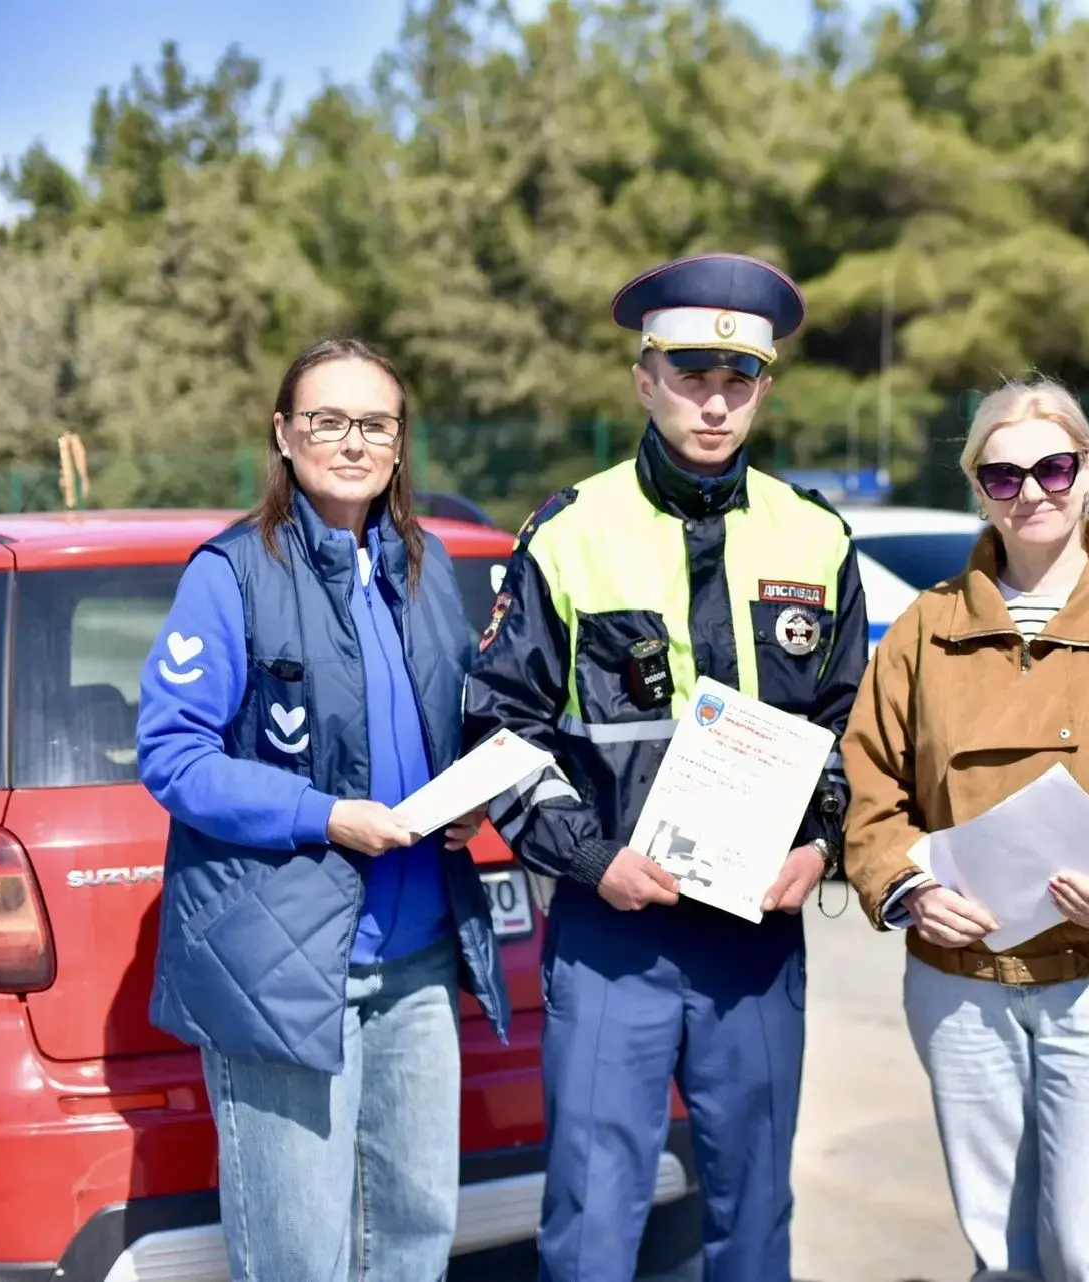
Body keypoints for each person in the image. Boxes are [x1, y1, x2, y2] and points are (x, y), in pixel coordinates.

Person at [461, 252, 867, 1282]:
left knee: (754, 1219)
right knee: (593, 1222)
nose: (716, 402)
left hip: (755, 942)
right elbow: (499, 731)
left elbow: (849, 722)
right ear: (644, 378)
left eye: (740, 381)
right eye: (691, 374)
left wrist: (821, 846)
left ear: (765, 388)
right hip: (614, 936)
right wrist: (593, 860)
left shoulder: (817, 536)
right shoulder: (568, 534)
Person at [842, 377, 1089, 1282]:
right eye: (1004, 474)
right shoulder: (924, 627)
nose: (1032, 493)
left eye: (1054, 467)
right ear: (977, 485)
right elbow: (870, 787)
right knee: (1000, 1256)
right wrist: (907, 889)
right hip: (958, 986)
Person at [136, 337, 511, 1280]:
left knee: (416, 1241)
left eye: (374, 423)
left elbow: (449, 726)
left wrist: (466, 799)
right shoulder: (230, 574)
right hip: (289, 970)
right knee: (302, 1256)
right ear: (284, 433)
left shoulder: (422, 572)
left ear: (399, 443)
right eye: (328, 420)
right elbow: (174, 755)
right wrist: (324, 814)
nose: (353, 442)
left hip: (421, 963)